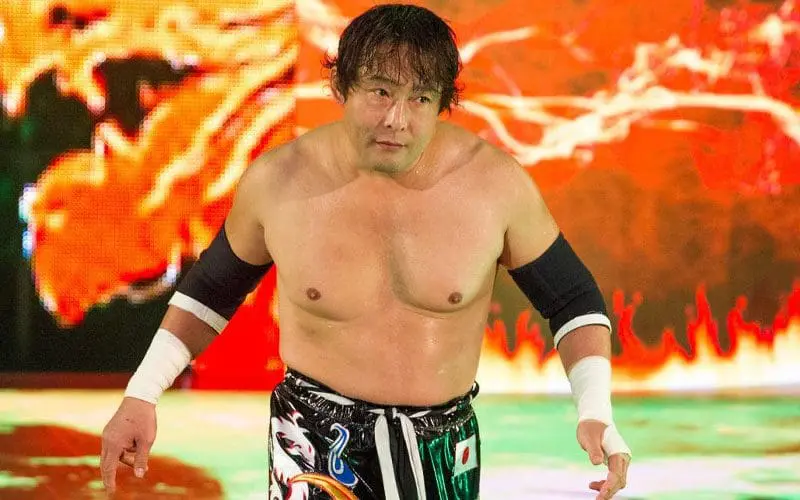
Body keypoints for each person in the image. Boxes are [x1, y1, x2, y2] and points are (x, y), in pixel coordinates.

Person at [100, 3, 632, 499]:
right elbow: (210, 292)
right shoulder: (278, 182)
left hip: (441, 449)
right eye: (380, 91)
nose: (396, 119)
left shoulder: (496, 187)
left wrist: (596, 411)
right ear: (341, 86)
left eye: (420, 99)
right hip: (311, 440)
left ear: (443, 104)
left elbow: (572, 301)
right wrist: (142, 394)